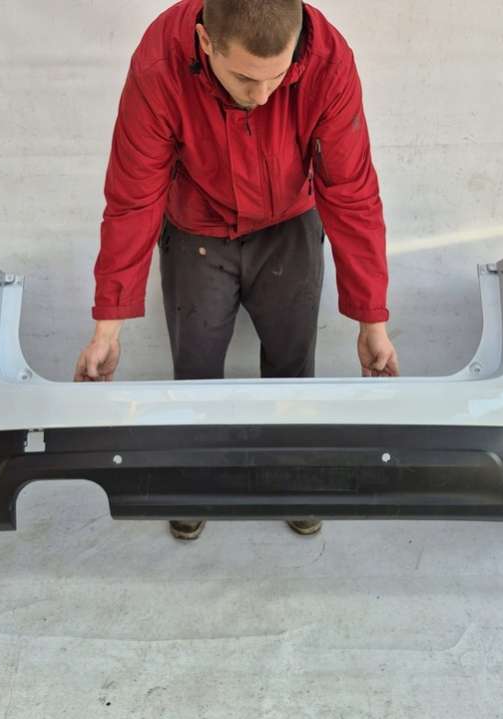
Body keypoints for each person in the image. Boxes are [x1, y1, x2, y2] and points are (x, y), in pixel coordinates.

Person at [74, 0, 400, 541]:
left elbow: (351, 192)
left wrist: (373, 320)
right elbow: (133, 198)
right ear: (206, 42)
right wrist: (108, 325)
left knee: (292, 365)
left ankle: (293, 477)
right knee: (196, 369)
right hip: (197, 228)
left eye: (278, 77)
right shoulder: (159, 64)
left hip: (289, 223)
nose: (264, 95)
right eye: (246, 78)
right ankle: (196, 483)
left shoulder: (329, 61)